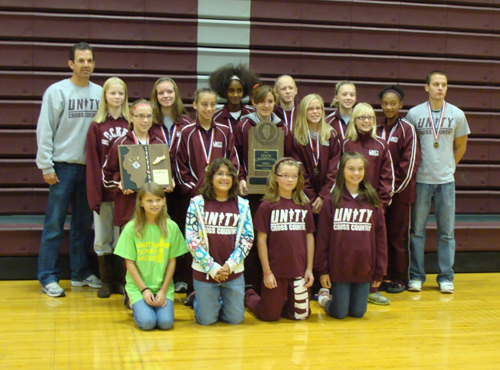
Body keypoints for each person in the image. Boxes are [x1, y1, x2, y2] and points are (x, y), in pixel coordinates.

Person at [36, 42, 102, 297]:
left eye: (89, 61)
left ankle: (80, 273)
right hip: (62, 167)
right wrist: (46, 165)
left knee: (84, 225)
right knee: (54, 224)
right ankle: (47, 276)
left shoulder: (100, 92)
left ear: (94, 64)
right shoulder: (57, 91)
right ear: (71, 64)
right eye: (81, 60)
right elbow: (45, 130)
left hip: (89, 169)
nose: (86, 65)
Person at [405, 71, 470, 294]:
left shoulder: (457, 114)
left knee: (446, 232)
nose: (440, 88)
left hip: (446, 182)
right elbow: (408, 146)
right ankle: (416, 276)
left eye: (443, 84)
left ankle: (445, 277)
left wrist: (450, 166)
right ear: (427, 87)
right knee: (417, 231)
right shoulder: (413, 114)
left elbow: (461, 145)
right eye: (435, 84)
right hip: (421, 180)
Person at [315, 152, 387, 319]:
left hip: (364, 268)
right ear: (342, 171)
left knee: (358, 313)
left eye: (360, 169)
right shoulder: (331, 200)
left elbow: (381, 238)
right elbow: (323, 238)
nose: (356, 173)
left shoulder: (372, 200)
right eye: (351, 169)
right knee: (339, 313)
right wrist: (323, 270)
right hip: (339, 268)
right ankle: (324, 299)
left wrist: (380, 270)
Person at [184, 158, 254, 325]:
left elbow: (247, 239)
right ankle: (199, 300)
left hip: (233, 271)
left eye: (229, 174)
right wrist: (212, 267)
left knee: (235, 319)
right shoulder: (197, 203)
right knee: (207, 320)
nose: (225, 178)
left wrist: (230, 265)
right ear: (210, 177)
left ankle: (214, 301)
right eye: (220, 174)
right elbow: (192, 240)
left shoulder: (243, 205)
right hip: (205, 271)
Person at [244, 158, 315, 321]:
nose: (290, 180)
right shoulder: (267, 206)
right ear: (275, 177)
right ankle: (249, 296)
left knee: (301, 315)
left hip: (299, 271)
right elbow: (261, 241)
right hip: (275, 272)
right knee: (269, 316)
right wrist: (267, 272)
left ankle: (282, 300)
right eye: (285, 175)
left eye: (294, 176)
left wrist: (309, 269)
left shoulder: (304, 204)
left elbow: (310, 237)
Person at [114, 182, 188, 330]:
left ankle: (151, 306)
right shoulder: (131, 228)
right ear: (141, 203)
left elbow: (172, 262)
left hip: (162, 287)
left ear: (164, 201)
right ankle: (133, 301)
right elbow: (129, 264)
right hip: (139, 288)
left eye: (158, 200)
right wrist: (144, 290)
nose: (154, 204)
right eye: (149, 200)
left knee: (165, 323)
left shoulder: (171, 227)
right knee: (148, 323)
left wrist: (163, 290)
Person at [342, 102, 393, 305]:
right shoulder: (346, 144)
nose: (366, 121)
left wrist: (380, 203)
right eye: (362, 117)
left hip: (372, 207)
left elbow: (387, 177)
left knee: (373, 247)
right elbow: (337, 174)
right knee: (350, 246)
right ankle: (345, 285)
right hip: (347, 206)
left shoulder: (381, 145)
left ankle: (372, 287)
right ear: (354, 120)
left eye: (370, 118)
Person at [86, 77, 130, 298]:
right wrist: (94, 193)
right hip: (104, 191)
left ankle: (122, 280)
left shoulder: (130, 123)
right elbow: (93, 162)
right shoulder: (96, 126)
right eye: (113, 93)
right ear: (105, 96)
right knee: (103, 236)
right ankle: (106, 281)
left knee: (121, 237)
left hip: (125, 193)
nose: (117, 97)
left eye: (120, 93)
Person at [149, 77, 194, 294]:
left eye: (169, 92)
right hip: (157, 189)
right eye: (161, 93)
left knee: (181, 232)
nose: (166, 96)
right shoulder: (150, 122)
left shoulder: (186, 122)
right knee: (159, 233)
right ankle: (157, 277)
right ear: (155, 97)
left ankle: (182, 278)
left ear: (175, 94)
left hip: (181, 187)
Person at [377, 85, 421, 294]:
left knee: (397, 236)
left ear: (400, 105)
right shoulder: (376, 129)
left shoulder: (407, 129)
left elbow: (409, 165)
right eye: (385, 103)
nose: (388, 107)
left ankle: (399, 278)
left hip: (400, 195)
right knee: (380, 236)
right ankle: (382, 276)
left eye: (393, 103)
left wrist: (392, 191)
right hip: (378, 196)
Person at [103, 99, 169, 229]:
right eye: (141, 116)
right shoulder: (121, 144)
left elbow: (167, 171)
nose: (145, 120)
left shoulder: (159, 144)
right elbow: (107, 176)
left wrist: (169, 181)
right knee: (129, 247)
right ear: (131, 117)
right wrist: (120, 183)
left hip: (155, 212)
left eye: (149, 116)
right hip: (129, 209)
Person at [175, 88, 240, 198]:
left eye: (213, 104)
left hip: (221, 194)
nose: (209, 109)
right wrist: (193, 188)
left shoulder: (225, 131)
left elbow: (233, 162)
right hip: (195, 195)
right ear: (195, 105)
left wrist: (225, 187)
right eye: (204, 104)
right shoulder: (187, 132)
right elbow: (180, 164)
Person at [234, 85, 293, 196]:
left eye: (270, 101)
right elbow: (236, 156)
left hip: (276, 189)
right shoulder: (243, 126)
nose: (266, 106)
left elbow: (288, 158)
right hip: (248, 186)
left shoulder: (283, 128)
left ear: (275, 103)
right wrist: (241, 178)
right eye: (261, 101)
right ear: (254, 103)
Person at [292, 94, 341, 216]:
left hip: (328, 195)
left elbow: (335, 168)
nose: (315, 112)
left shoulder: (331, 134)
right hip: (303, 196)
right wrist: (312, 198)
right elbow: (298, 170)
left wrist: (323, 196)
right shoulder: (296, 137)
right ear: (303, 111)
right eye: (310, 109)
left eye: (318, 108)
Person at [210, 63, 261, 132]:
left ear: (244, 91)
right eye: (231, 90)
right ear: (225, 91)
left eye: (239, 90)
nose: (235, 95)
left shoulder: (254, 115)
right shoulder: (215, 117)